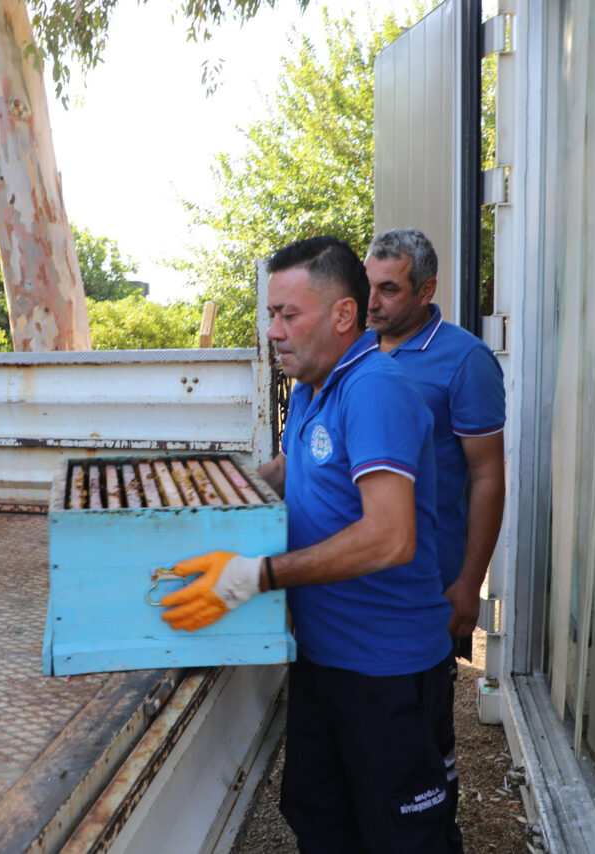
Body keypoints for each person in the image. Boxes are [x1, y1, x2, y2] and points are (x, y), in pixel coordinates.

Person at [159, 236, 455, 853]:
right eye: (271, 314)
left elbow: (391, 536)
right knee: (319, 815)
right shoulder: (314, 388)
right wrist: (198, 493)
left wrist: (257, 575)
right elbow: (285, 471)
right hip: (324, 660)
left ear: (343, 315)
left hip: (387, 671)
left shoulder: (375, 389)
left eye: (288, 314)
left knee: (404, 839)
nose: (273, 331)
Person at [366, 226, 506, 852]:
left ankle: (434, 831)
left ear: (427, 289)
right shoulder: (358, 354)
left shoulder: (464, 360)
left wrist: (469, 584)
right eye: (367, 286)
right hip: (360, 584)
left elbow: (486, 476)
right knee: (374, 729)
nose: (372, 302)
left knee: (425, 732)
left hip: (428, 586)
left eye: (388, 289)